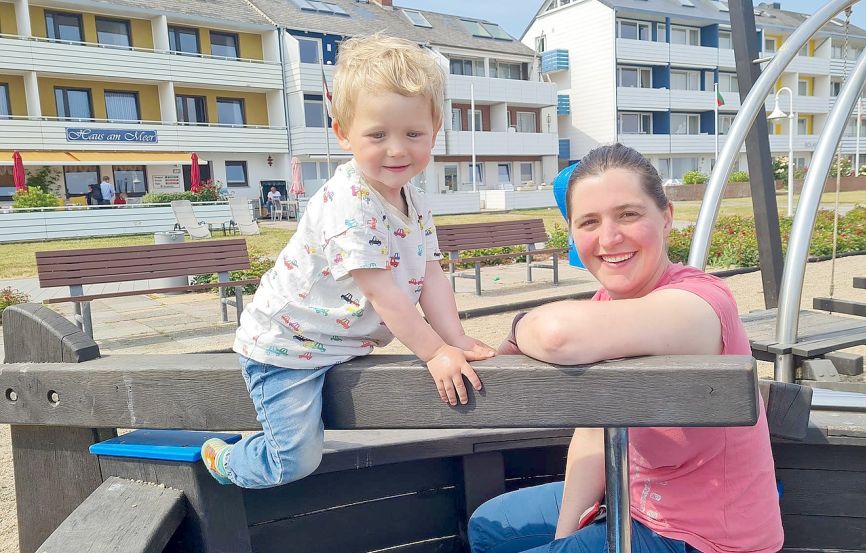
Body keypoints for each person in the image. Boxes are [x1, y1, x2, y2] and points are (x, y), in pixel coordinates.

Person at [201, 34, 495, 489]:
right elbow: (385, 292)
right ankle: (228, 461)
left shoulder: (412, 197)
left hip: (338, 343)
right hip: (289, 346)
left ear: (435, 131)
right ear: (343, 134)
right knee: (292, 461)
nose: (397, 149)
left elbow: (430, 272)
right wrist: (436, 352)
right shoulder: (349, 202)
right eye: (377, 135)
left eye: (413, 134)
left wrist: (454, 336)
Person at [467, 144, 783, 553]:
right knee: (491, 526)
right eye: (589, 222)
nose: (609, 237)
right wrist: (567, 536)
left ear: (666, 217)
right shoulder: (606, 306)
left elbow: (556, 335)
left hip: (704, 538)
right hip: (631, 500)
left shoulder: (700, 302)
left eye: (628, 214)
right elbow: (593, 430)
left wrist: (516, 329)